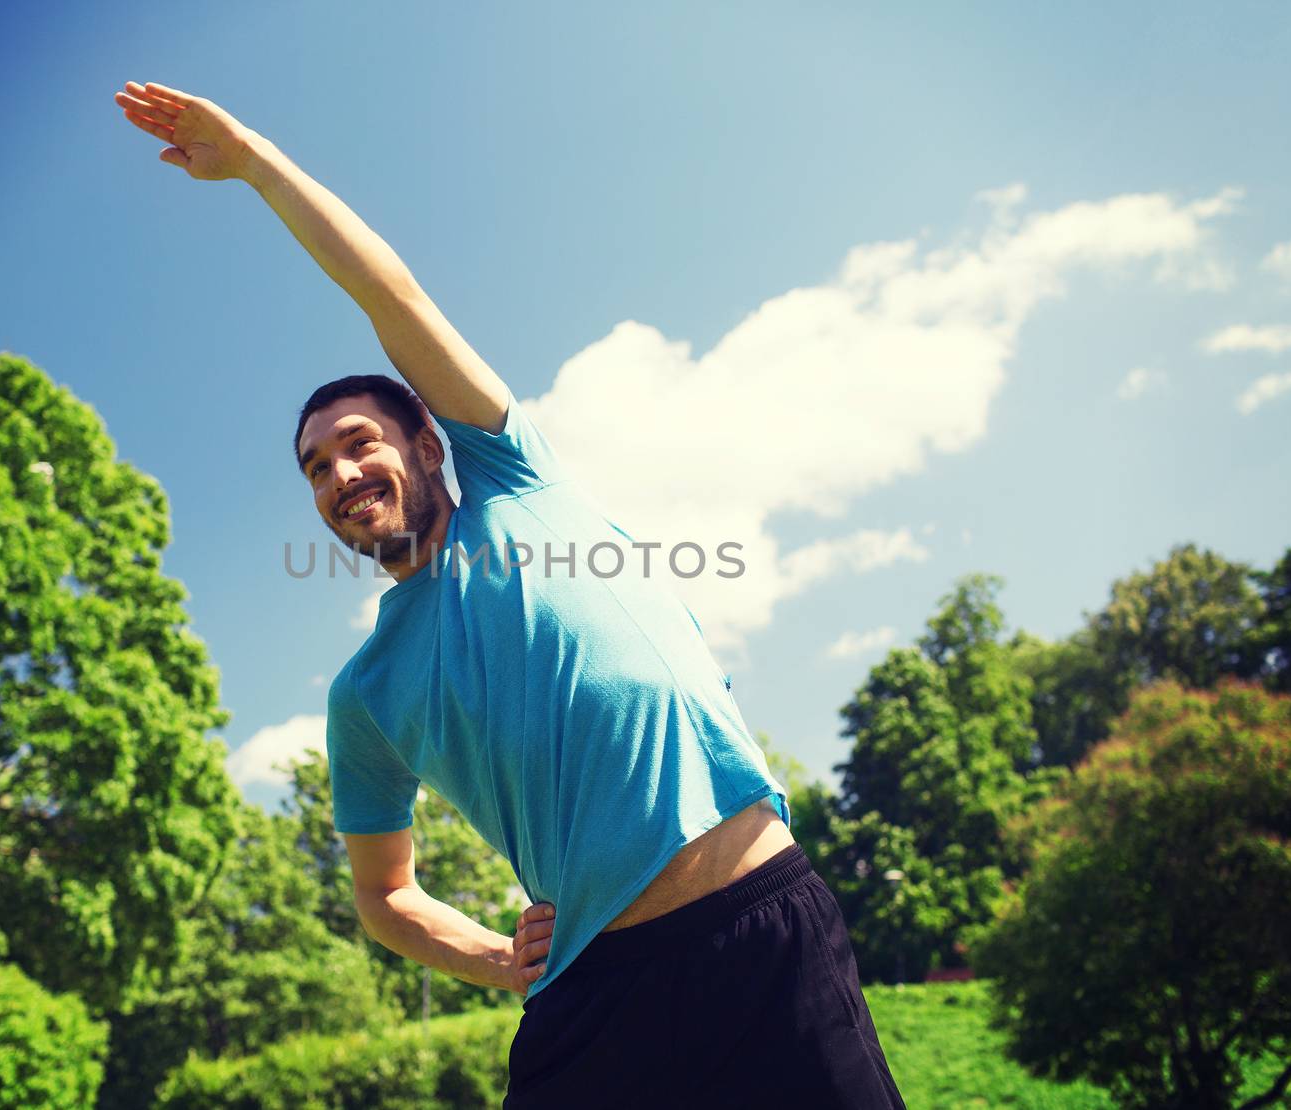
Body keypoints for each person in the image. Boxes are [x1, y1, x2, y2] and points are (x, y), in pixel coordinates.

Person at [114, 79, 906, 1108]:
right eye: (314, 468)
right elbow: (383, 896)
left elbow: (389, 297)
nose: (339, 475)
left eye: (358, 444)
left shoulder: (513, 481)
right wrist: (492, 956)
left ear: (426, 443)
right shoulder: (364, 697)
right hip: (596, 1005)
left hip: (762, 932)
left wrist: (258, 163)